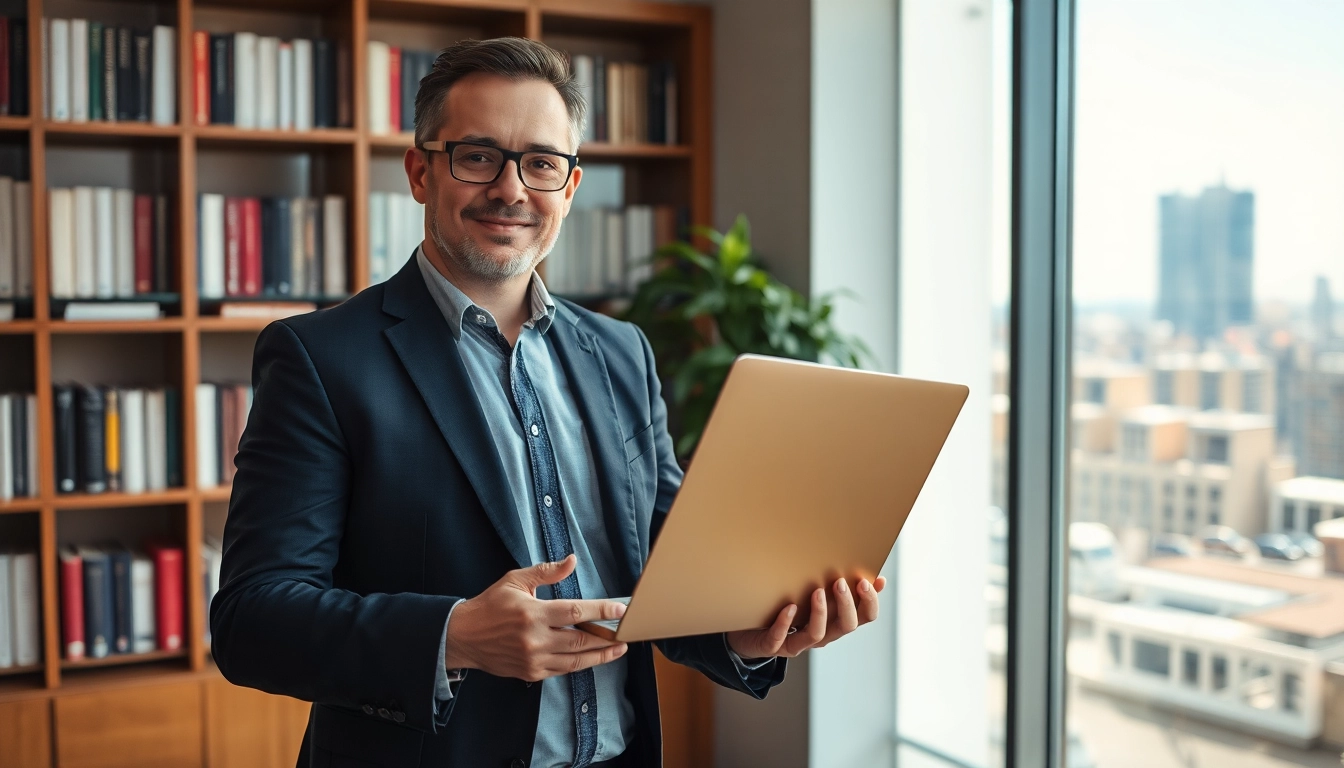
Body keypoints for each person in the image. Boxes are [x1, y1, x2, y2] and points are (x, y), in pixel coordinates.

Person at [210, 37, 886, 768]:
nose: (511, 189)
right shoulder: (321, 358)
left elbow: (663, 568)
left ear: (568, 187)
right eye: (477, 155)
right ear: (419, 171)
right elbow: (253, 619)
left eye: (540, 162)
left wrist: (740, 634)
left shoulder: (621, 352)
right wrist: (457, 634)